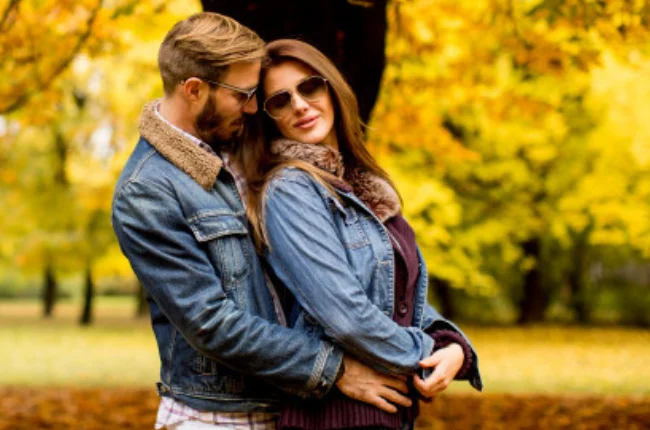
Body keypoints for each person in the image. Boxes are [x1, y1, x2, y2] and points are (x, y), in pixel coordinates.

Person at [112, 13, 415, 430]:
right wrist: (336, 369)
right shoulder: (148, 190)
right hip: (220, 417)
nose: (255, 108)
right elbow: (211, 322)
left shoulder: (245, 148)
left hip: (292, 407)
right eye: (243, 95)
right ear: (195, 90)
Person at [244, 39, 483, 430]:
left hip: (389, 412)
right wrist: (428, 353)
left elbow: (402, 299)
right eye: (280, 101)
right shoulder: (290, 190)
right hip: (333, 416)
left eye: (309, 86)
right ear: (269, 117)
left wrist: (454, 346)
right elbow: (346, 316)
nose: (300, 104)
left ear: (332, 88)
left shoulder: (364, 187)